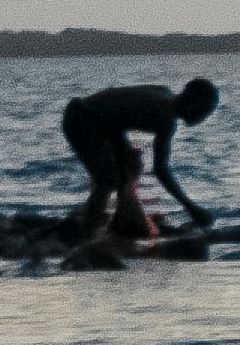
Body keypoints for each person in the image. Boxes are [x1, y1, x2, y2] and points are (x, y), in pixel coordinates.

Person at [61, 76, 220, 246]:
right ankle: (86, 237)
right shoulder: (166, 118)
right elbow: (161, 171)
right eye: (204, 111)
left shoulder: (164, 91)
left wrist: (121, 148)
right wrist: (192, 208)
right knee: (107, 181)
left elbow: (120, 104)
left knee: (130, 164)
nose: (203, 117)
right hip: (82, 119)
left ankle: (117, 221)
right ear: (191, 102)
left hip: (98, 120)